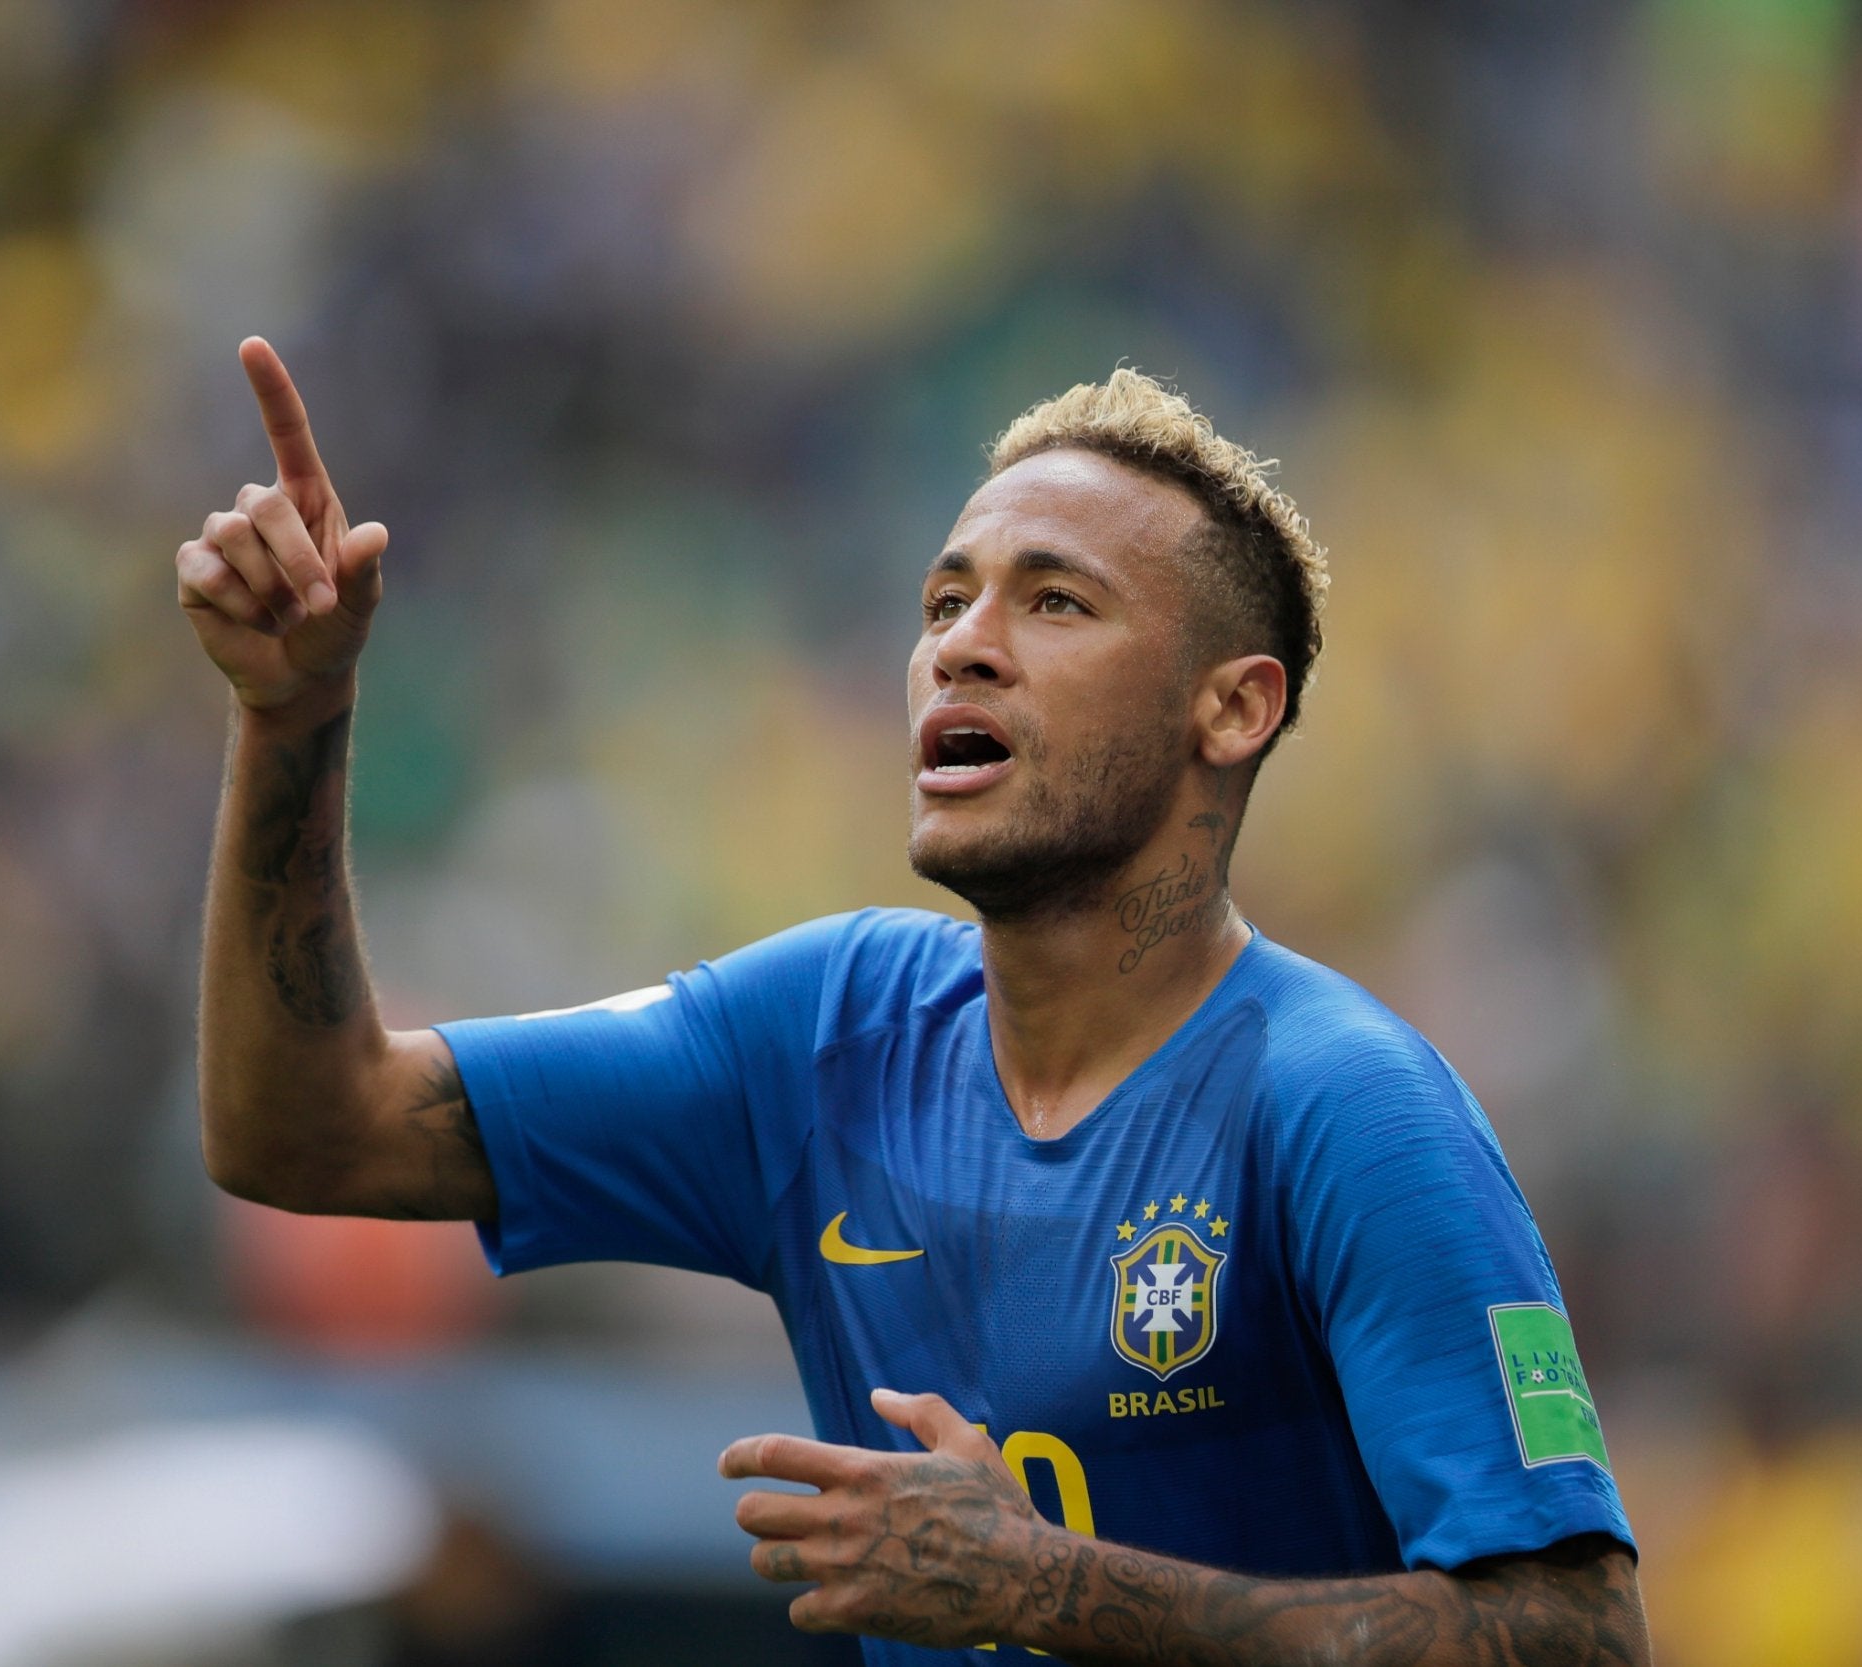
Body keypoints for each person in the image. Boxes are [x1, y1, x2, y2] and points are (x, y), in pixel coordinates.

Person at [178, 336, 1650, 1666]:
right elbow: (305, 1132)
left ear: (1233, 707)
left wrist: (1045, 1590)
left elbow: (1576, 1639)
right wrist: (293, 720)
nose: (963, 639)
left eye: (1055, 600)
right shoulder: (824, 1037)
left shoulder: (1348, 1110)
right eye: (944, 600)